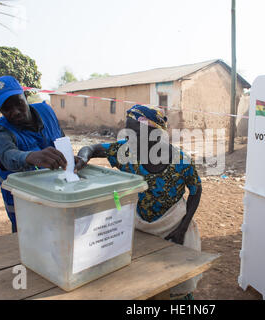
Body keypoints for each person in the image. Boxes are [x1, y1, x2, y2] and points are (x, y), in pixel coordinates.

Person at [76, 104, 203, 300]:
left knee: (177, 286)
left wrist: (182, 229)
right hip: (139, 227)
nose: (128, 137)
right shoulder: (126, 152)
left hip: (173, 228)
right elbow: (92, 148)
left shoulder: (181, 161)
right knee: (143, 284)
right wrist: (84, 156)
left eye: (135, 132)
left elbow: (196, 191)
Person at [0, 76, 81, 233]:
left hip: (58, 197)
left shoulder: (47, 111)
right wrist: (30, 157)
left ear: (26, 95)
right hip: (25, 206)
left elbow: (60, 137)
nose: (15, 111)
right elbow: (8, 155)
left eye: (18, 102)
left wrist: (69, 158)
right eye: (6, 108)